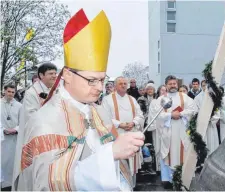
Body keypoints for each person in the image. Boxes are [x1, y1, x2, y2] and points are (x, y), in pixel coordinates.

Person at [13, 9, 144, 191]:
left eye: (102, 79)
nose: (99, 87)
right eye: (92, 80)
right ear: (67, 74)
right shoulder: (43, 121)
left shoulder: (99, 112)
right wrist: (110, 154)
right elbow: (45, 183)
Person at [12, 62, 58, 187]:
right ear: (41, 75)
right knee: (33, 174)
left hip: (52, 138)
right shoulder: (32, 93)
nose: (54, 76)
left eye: (55, 73)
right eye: (50, 73)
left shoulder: (55, 90)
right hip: (35, 139)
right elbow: (31, 116)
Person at [102, 76, 145, 189]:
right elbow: (104, 117)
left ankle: (132, 186)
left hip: (131, 133)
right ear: (115, 86)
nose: (123, 85)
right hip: (116, 136)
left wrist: (134, 123)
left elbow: (140, 114)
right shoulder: (107, 99)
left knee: (131, 164)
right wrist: (119, 124)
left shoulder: (132, 99)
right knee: (118, 166)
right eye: (120, 83)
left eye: (125, 83)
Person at [155, 75, 195, 189]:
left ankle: (183, 179)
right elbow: (157, 115)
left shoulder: (185, 97)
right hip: (168, 132)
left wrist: (180, 114)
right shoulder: (161, 99)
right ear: (166, 85)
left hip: (182, 130)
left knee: (183, 154)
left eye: (174, 83)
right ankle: (169, 180)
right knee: (169, 154)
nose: (173, 86)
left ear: (177, 84)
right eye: (170, 84)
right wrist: (170, 115)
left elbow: (192, 110)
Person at [1, 84, 22, 191]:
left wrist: (16, 129)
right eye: (9, 91)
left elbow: (23, 121)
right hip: (2, 139)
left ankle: (10, 186)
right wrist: (3, 130)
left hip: (14, 139)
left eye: (13, 92)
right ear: (4, 91)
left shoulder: (19, 106)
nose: (11, 94)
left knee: (12, 163)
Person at [194, 81, 220, 155]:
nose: (205, 87)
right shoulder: (197, 98)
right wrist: (203, 119)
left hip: (211, 125)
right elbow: (195, 112)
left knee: (212, 145)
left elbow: (218, 112)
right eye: (203, 86)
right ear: (201, 86)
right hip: (202, 126)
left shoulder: (214, 97)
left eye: (207, 85)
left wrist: (210, 118)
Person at [147, 85, 167, 173]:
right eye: (162, 90)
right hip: (158, 128)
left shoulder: (170, 101)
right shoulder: (154, 102)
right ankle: (159, 167)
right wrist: (155, 126)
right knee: (158, 147)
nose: (164, 92)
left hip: (168, 128)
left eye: (165, 90)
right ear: (158, 91)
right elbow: (152, 115)